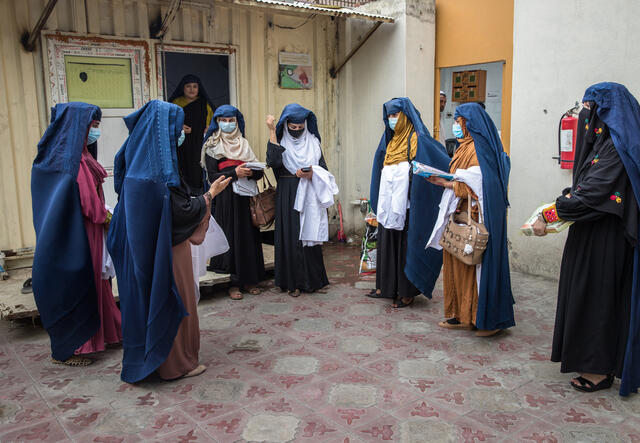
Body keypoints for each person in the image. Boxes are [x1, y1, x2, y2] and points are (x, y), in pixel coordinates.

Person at [108, 100, 230, 382]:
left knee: (148, 300)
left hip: (143, 251)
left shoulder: (137, 163)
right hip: (168, 252)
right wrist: (210, 195)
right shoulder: (157, 174)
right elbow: (179, 211)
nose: (183, 133)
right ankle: (177, 364)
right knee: (174, 300)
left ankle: (153, 359)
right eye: (178, 128)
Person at [532, 82, 640, 396]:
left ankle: (598, 370)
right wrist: (567, 196)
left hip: (605, 239)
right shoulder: (605, 142)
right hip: (590, 235)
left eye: (591, 108)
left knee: (596, 300)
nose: (586, 115)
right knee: (586, 296)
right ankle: (592, 363)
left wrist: (549, 215)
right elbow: (585, 186)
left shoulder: (618, 148)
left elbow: (592, 197)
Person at [31, 102, 121, 367]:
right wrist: (108, 218)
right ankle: (77, 346)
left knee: (98, 283)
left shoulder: (64, 158)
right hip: (81, 234)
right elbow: (89, 205)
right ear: (78, 127)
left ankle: (108, 332)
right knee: (87, 284)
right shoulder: (74, 162)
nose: (96, 132)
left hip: (80, 231)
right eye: (92, 127)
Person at [427, 102, 514, 337]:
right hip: (458, 217)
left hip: (475, 218)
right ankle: (461, 315)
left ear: (468, 123)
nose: (455, 125)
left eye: (458, 121)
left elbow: (483, 184)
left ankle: (481, 317)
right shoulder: (463, 147)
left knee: (473, 267)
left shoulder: (480, 147)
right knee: (456, 266)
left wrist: (447, 182)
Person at [367, 97, 451, 308]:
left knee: (405, 248)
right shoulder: (389, 139)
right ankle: (386, 287)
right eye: (388, 116)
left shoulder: (417, 139)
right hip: (389, 205)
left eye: (395, 115)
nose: (391, 120)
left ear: (405, 116)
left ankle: (406, 292)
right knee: (388, 245)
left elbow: (434, 162)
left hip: (408, 206)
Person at [266, 104, 337, 297]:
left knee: (310, 236)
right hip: (288, 193)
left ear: (305, 125)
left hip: (310, 192)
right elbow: (273, 162)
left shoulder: (313, 142)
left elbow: (323, 168)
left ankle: (314, 280)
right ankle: (292, 283)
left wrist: (312, 172)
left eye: (300, 127)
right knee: (292, 237)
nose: (296, 131)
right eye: (292, 127)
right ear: (286, 125)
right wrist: (273, 130)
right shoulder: (279, 140)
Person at [202, 105, 266, 300]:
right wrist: (234, 173)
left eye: (231, 121)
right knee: (231, 239)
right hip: (225, 200)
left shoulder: (244, 144)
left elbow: (260, 172)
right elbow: (212, 176)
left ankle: (250, 280)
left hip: (245, 199)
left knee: (248, 238)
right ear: (217, 122)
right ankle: (233, 283)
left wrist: (250, 171)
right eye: (224, 120)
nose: (228, 124)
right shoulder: (212, 146)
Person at [169, 74, 214, 195]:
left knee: (198, 170)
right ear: (182, 88)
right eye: (188, 86)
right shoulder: (174, 103)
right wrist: (179, 127)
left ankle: (199, 197)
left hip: (199, 144)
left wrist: (208, 128)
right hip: (181, 144)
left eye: (195, 86)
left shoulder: (205, 104)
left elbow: (211, 122)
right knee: (182, 169)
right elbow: (168, 122)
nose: (191, 89)